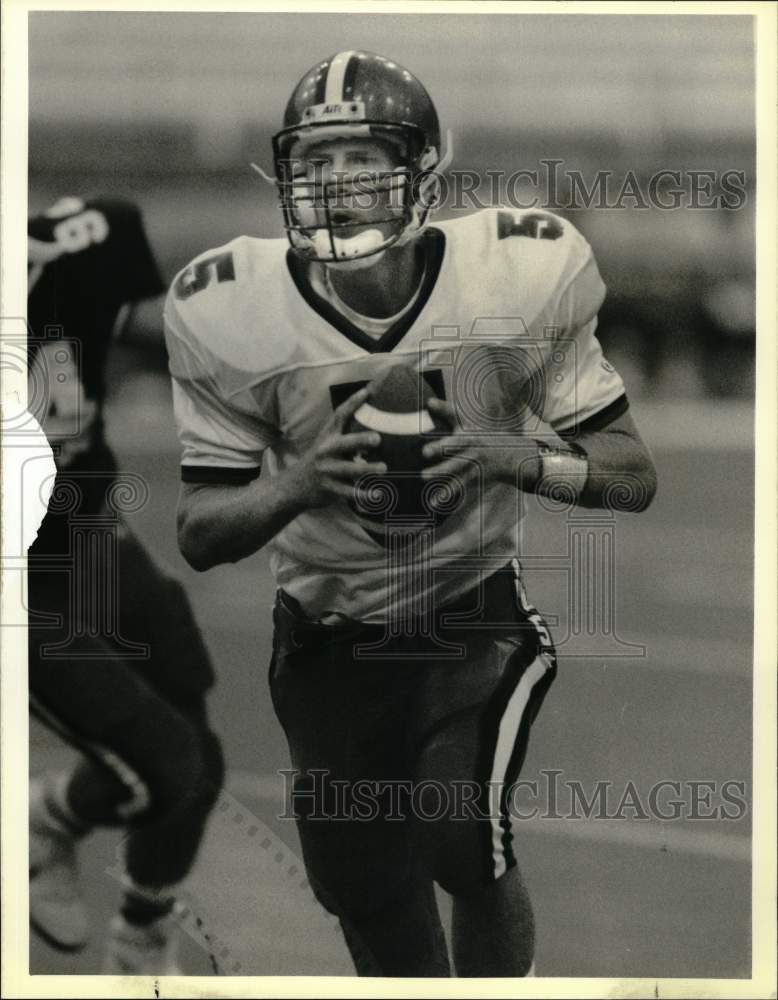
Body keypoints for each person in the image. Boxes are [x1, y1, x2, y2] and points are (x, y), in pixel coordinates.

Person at [165, 51, 657, 977]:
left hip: (472, 616)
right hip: (326, 634)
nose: (336, 183)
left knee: (457, 838)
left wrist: (521, 458)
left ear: (426, 166)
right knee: (367, 896)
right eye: (316, 161)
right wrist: (298, 483)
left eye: (363, 156)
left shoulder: (517, 271)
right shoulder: (229, 305)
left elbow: (630, 473)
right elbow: (199, 530)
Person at [27, 196, 224, 974]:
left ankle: (139, 943)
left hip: (91, 533)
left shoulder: (74, 247)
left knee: (199, 761)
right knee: (167, 770)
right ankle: (45, 816)